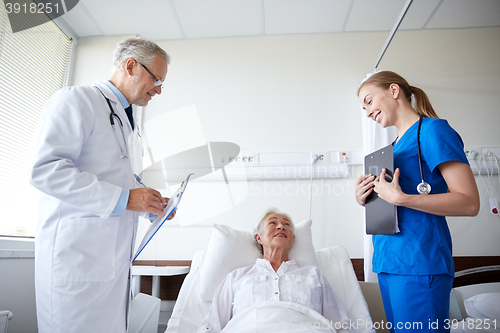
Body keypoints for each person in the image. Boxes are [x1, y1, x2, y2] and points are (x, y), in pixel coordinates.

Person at [28, 37, 173, 333]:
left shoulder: (126, 122)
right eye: (156, 79)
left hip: (111, 266)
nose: (158, 89)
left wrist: (151, 206)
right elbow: (45, 169)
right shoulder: (76, 100)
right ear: (130, 66)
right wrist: (124, 198)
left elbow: (122, 181)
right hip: (76, 263)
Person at [355, 71, 480, 332]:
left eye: (368, 101)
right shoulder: (393, 147)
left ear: (393, 90)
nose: (366, 112)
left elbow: (469, 202)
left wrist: (402, 198)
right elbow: (395, 202)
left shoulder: (433, 131)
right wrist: (366, 198)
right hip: (390, 262)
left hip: (420, 262)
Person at [197, 209, 352, 333]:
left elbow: (339, 323)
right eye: (273, 223)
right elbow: (212, 324)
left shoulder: (313, 275)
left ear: (292, 238)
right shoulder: (237, 277)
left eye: (287, 224)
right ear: (259, 238)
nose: (281, 227)